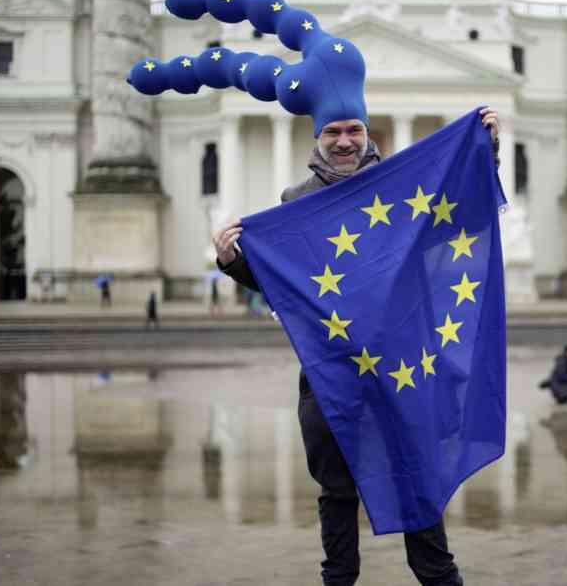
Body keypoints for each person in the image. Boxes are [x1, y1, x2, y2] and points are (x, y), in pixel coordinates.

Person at [213, 111, 498, 586]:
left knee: (417, 481)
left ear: (367, 134)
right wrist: (232, 262)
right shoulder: (295, 202)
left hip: (400, 370)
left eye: (353, 131)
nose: (344, 142)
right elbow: (283, 281)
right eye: (333, 132)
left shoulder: (404, 187)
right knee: (336, 493)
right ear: (318, 136)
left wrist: (484, 149)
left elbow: (463, 215)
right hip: (331, 376)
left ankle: (440, 579)